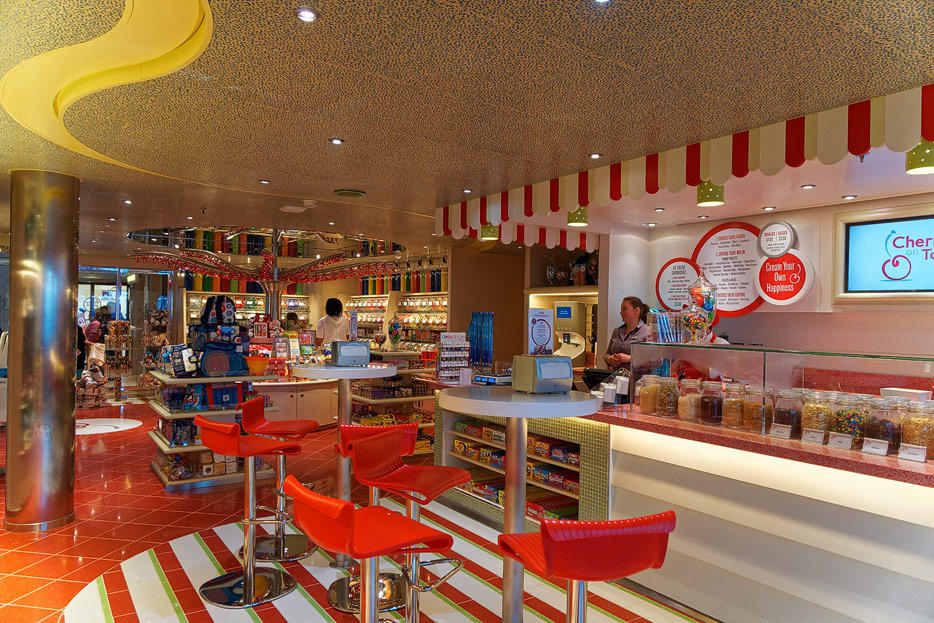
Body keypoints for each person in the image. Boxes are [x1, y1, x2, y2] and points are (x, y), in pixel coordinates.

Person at [603, 296, 650, 372]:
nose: (621, 312)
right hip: (616, 377)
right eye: (621, 309)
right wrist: (610, 359)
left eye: (625, 309)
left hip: (637, 378)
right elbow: (607, 355)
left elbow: (654, 361)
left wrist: (630, 359)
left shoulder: (647, 331)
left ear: (637, 310)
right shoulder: (616, 331)